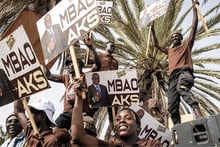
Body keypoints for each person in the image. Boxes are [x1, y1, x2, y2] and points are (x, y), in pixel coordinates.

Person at [149, 0, 203, 125]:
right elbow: (155, 44)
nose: (175, 37)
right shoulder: (169, 51)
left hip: (184, 73)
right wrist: (152, 29)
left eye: (177, 36)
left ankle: (199, 114)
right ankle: (178, 127)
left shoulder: (187, 45)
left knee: (182, 88)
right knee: (172, 105)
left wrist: (194, 8)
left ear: (181, 38)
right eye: (173, 36)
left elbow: (194, 26)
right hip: (172, 77)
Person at [70, 79, 162, 146]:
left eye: (128, 118)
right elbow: (78, 136)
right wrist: (79, 98)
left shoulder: (152, 144)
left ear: (138, 127)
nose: (121, 121)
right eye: (118, 119)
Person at [44, 38, 101, 130]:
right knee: (55, 131)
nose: (70, 65)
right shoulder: (66, 77)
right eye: (69, 64)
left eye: (72, 64)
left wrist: (90, 47)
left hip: (83, 114)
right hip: (68, 114)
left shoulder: (87, 76)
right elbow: (49, 75)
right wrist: (45, 62)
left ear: (79, 66)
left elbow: (97, 65)